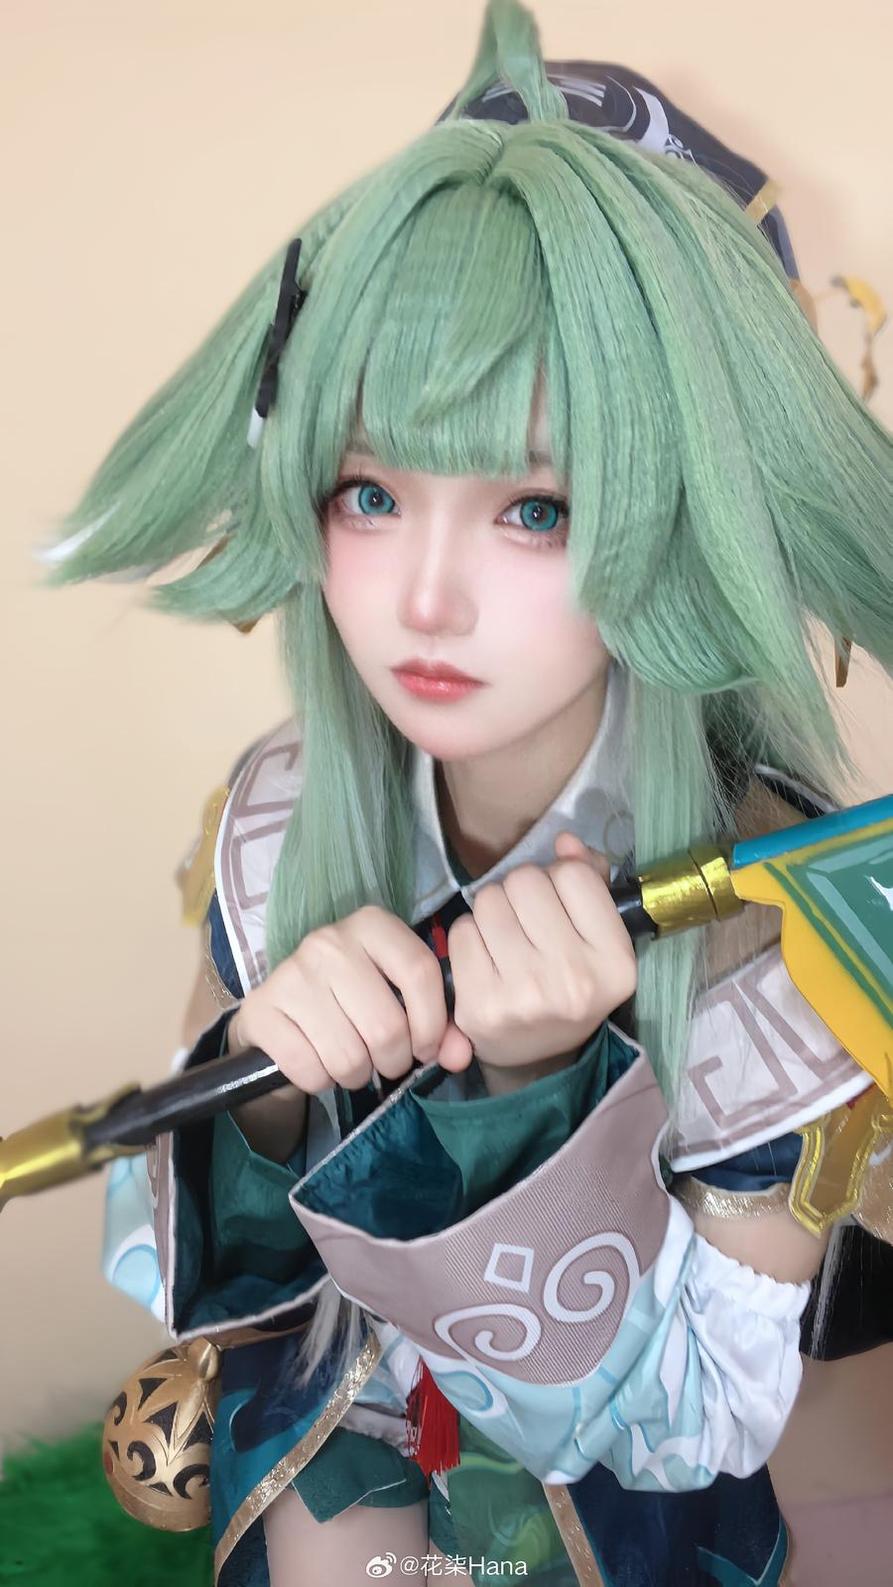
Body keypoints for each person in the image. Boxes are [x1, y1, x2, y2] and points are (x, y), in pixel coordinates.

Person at [40, 1, 893, 1582]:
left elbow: (697, 1428)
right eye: (369, 491)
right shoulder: (282, 808)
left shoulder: (776, 915)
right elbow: (185, 1274)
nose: (423, 600)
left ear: (687, 515)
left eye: (534, 508)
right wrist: (263, 1085)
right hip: (342, 1441)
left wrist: (527, 1106)